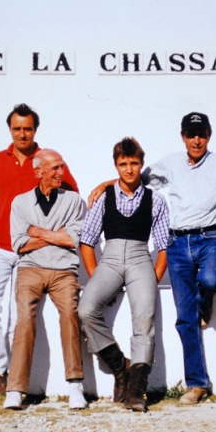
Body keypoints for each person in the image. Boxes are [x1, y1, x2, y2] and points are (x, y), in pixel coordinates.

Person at [88, 112, 216, 405]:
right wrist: (106, 184)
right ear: (183, 136)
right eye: (190, 134)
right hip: (177, 244)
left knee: (211, 279)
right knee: (185, 319)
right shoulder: (171, 163)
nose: (196, 140)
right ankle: (196, 384)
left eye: (201, 134)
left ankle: (205, 302)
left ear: (209, 135)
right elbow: (135, 176)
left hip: (210, 239)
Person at [0, 103, 79, 394]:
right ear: (10, 129)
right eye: (17, 128)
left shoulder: (46, 160)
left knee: (18, 314)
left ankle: (17, 381)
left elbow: (72, 195)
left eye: (27, 128)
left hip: (31, 253)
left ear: (35, 130)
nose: (22, 134)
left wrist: (53, 235)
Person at [78, 137, 169, 412]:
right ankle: (121, 367)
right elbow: (87, 241)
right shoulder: (104, 198)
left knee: (144, 321)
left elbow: (163, 246)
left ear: (141, 164)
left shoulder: (156, 200)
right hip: (111, 260)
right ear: (116, 166)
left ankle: (136, 391)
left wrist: (153, 278)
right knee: (85, 309)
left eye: (134, 163)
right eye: (123, 164)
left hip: (142, 259)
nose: (129, 169)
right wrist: (96, 277)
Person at [3, 149, 87, 410]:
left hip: (64, 271)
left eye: (62, 167)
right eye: (55, 168)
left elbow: (73, 239)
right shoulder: (20, 203)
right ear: (38, 172)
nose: (61, 173)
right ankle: (15, 389)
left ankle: (75, 386)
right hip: (30, 269)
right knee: (25, 319)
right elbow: (20, 245)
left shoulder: (74, 201)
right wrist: (55, 235)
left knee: (70, 316)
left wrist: (37, 232)